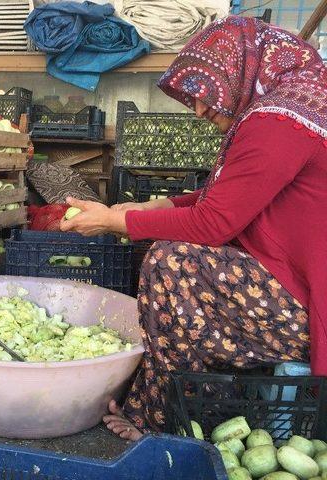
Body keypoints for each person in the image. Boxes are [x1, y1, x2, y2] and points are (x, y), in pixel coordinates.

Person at [60, 16, 327, 439]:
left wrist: (115, 220)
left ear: (244, 71)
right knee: (180, 268)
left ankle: (164, 422)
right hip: (296, 283)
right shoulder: (297, 103)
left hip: (305, 307)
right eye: (195, 98)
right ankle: (206, 410)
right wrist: (150, 206)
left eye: (209, 95)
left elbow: (213, 222)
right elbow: (225, 199)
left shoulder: (277, 121)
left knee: (171, 264)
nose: (200, 110)